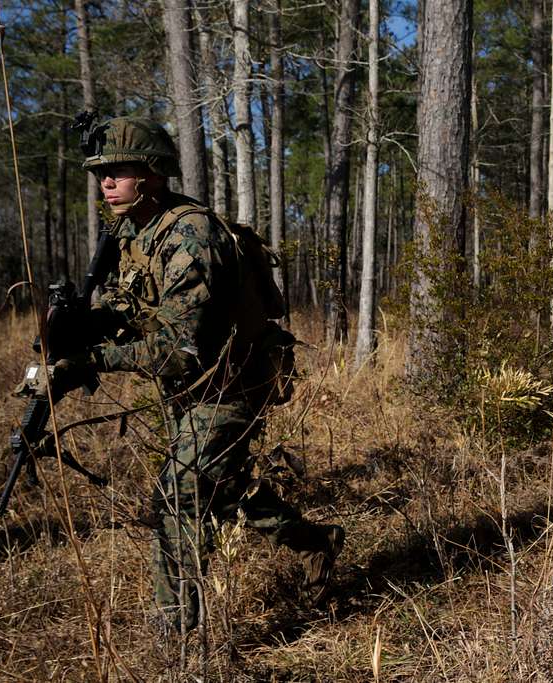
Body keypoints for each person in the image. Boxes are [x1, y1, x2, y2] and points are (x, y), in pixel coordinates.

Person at [53, 116, 343, 635]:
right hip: (192, 389)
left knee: (178, 493)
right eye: (102, 173)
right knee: (222, 491)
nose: (106, 182)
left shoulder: (191, 234)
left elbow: (181, 350)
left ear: (153, 173)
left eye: (118, 170)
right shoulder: (135, 233)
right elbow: (137, 310)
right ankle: (314, 541)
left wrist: (94, 360)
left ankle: (178, 638)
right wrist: (88, 327)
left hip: (232, 383)